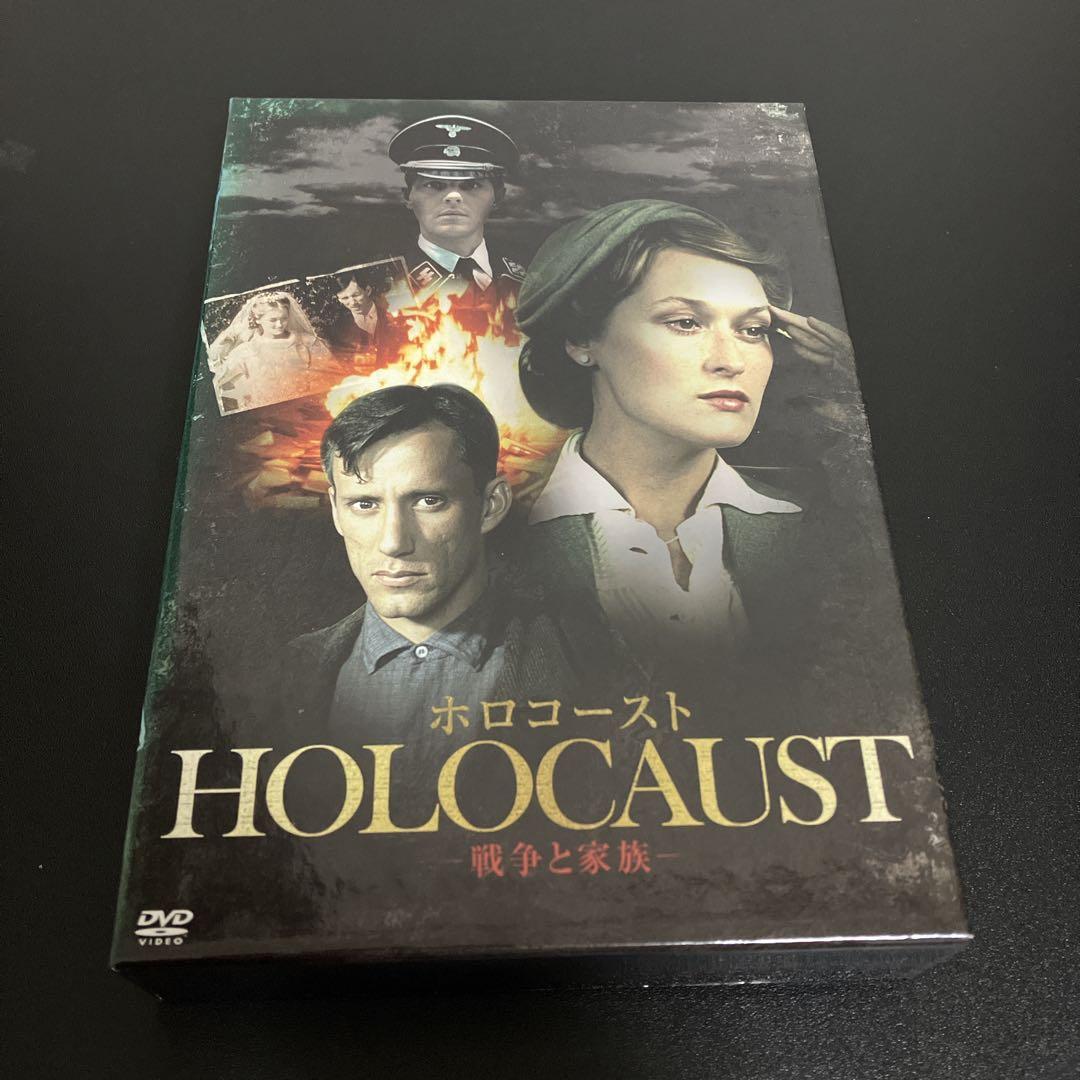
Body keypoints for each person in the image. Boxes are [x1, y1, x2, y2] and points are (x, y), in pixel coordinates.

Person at [514, 199, 858, 688]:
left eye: (753, 330)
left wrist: (858, 388)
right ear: (582, 339)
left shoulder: (821, 527)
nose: (731, 361)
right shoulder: (497, 543)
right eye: (685, 323)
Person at [281, 384, 626, 741]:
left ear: (491, 505)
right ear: (336, 511)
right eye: (365, 504)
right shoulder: (286, 675)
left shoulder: (589, 660)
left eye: (428, 501)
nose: (393, 543)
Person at [387, 114, 529, 309]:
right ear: (407, 196)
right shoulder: (385, 287)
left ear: (498, 196)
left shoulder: (527, 280)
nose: (453, 196)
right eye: (434, 185)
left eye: (471, 185)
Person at [207, 290, 333, 413]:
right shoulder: (246, 352)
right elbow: (220, 385)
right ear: (257, 319)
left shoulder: (308, 343)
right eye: (273, 320)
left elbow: (330, 375)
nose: (279, 324)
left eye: (284, 318)